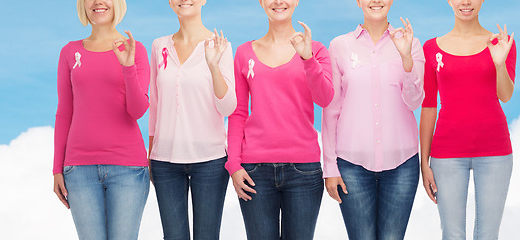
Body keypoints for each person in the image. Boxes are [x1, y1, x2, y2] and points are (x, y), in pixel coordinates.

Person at [226, 0, 335, 239]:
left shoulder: (315, 49)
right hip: (254, 172)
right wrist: (233, 165)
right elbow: (238, 113)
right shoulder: (244, 53)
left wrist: (308, 59)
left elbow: (325, 98)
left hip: (304, 172)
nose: (278, 2)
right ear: (262, 2)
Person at [322, 0, 424, 239]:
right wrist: (329, 166)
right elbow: (331, 109)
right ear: (358, 2)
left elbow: (414, 101)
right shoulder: (339, 46)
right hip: (351, 165)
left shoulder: (412, 43)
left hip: (403, 164)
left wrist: (406, 58)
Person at [52, 0, 150, 239]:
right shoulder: (69, 52)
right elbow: (64, 112)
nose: (98, 2)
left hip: (128, 168)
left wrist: (127, 67)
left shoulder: (135, 50)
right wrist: (57, 168)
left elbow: (138, 111)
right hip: (79, 170)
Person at [419, 0, 517, 239]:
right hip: (446, 154)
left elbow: (505, 95)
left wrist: (499, 62)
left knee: (487, 234)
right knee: (452, 234)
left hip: (495, 151)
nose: (465, 2)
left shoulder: (501, 43)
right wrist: (424, 161)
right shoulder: (431, 48)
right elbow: (429, 105)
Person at [147, 0, 236, 239]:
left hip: (211, 162)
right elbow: (154, 105)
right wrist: (151, 154)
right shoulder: (158, 46)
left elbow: (227, 107)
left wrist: (214, 67)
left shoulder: (221, 46)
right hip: (164, 162)